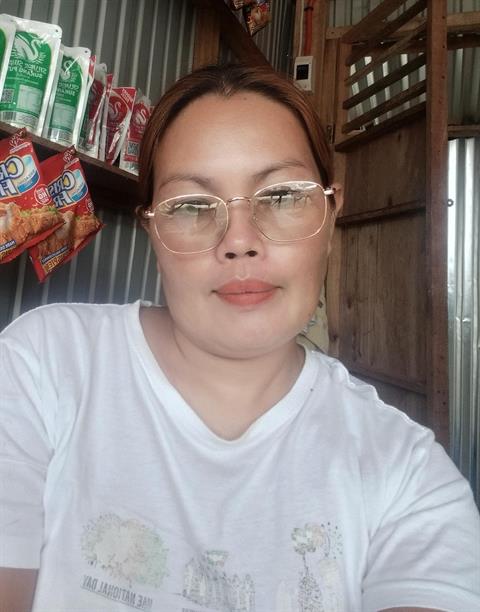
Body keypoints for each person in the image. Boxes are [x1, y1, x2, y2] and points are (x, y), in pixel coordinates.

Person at [0, 63, 479, 612]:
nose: (239, 241)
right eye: (190, 206)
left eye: (281, 196)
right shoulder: (45, 365)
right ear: (153, 231)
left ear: (331, 214)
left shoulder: (408, 476)